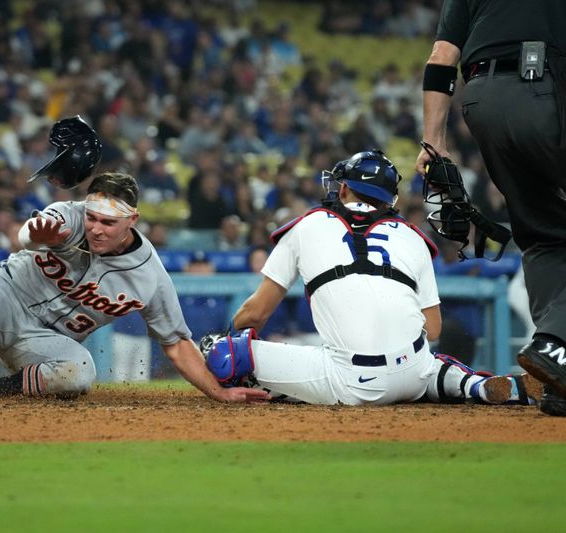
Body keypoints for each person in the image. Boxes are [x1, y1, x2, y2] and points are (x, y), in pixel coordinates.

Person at [0, 171, 267, 404]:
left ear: (132, 221)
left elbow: (176, 343)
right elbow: (29, 235)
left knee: (80, 375)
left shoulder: (149, 276)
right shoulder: (70, 216)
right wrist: (43, 234)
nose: (94, 228)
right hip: (5, 293)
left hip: (44, 340)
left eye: (106, 222)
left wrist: (219, 390)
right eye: (91, 217)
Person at [202, 150, 535, 406]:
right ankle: (473, 386)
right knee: (425, 363)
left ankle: (280, 390)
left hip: (348, 379)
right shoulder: (413, 235)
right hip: (412, 375)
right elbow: (433, 329)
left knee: (221, 353)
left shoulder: (309, 224)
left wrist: (230, 339)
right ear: (390, 199)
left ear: (344, 188)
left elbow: (255, 314)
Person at [414, 1, 566, 416]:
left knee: (544, 235)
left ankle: (558, 382)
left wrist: (433, 142)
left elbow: (441, 58)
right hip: (548, 86)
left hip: (482, 102)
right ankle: (554, 343)